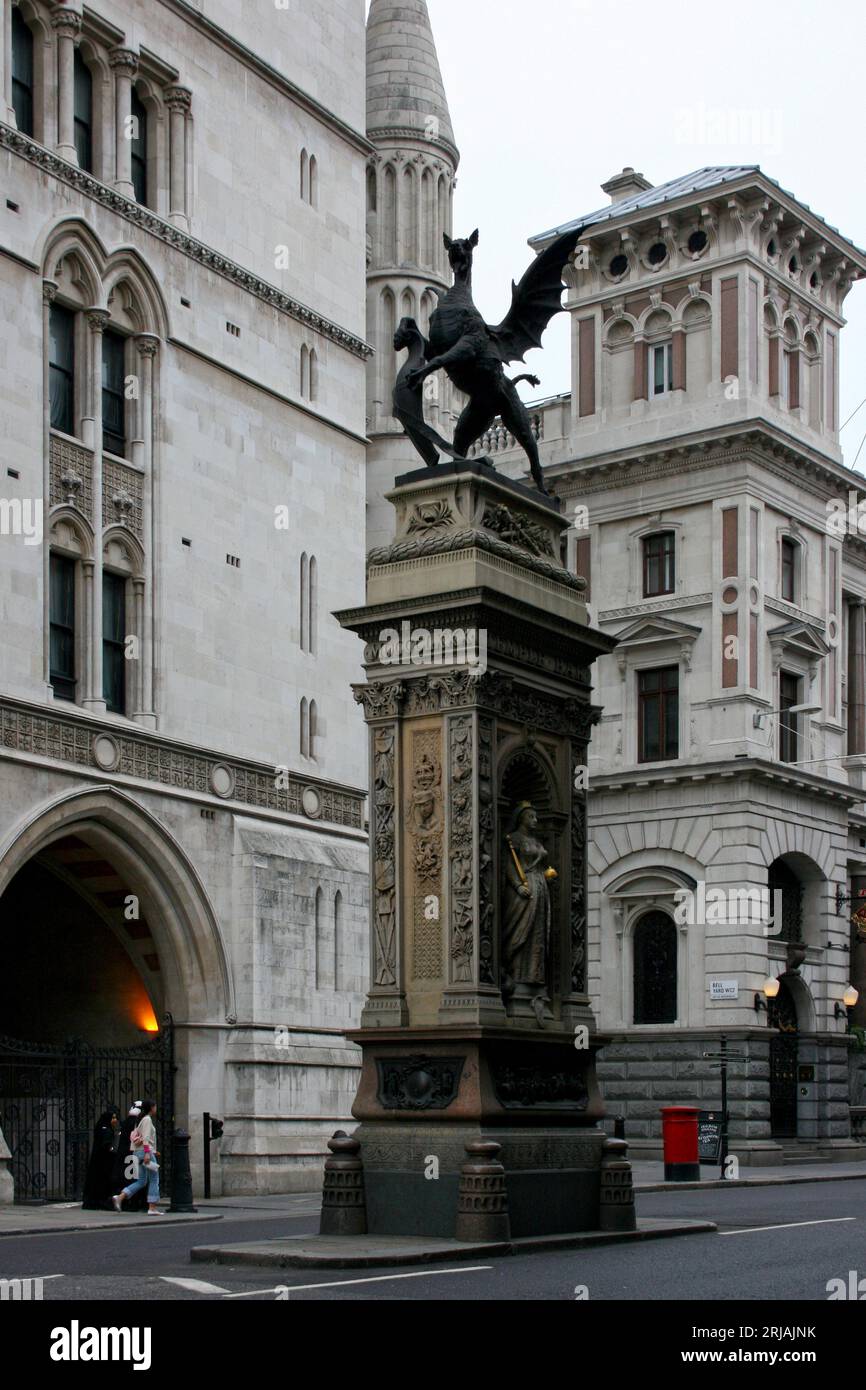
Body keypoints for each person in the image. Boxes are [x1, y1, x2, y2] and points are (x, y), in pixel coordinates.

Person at [502, 801, 558, 1022]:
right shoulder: (513, 839)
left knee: (538, 936)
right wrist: (517, 885)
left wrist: (548, 874)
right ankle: (517, 977)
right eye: (531, 817)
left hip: (540, 890)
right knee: (520, 934)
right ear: (521, 818)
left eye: (536, 817)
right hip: (523, 892)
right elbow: (508, 865)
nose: (535, 820)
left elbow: (543, 866)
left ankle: (535, 978)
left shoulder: (536, 841)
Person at [113, 1098, 162, 1216]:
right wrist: (147, 1153)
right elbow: (145, 1138)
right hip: (145, 1153)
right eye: (155, 1106)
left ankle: (120, 1197)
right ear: (151, 1108)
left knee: (141, 1181)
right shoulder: (147, 1119)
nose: (156, 1108)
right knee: (155, 1179)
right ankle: (152, 1207)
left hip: (138, 1153)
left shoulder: (140, 1119)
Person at [81, 1106, 119, 1210]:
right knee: (103, 1182)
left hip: (98, 1160)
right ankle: (101, 1202)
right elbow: (106, 1146)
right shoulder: (107, 1130)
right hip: (104, 1162)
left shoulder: (101, 1127)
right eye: (113, 1118)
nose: (115, 1120)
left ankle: (93, 1201)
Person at [113, 1101, 147, 1212]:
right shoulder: (139, 1122)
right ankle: (136, 1203)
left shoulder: (126, 1122)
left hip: (124, 1155)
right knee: (138, 1179)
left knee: (127, 1178)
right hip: (135, 1154)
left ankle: (125, 1200)